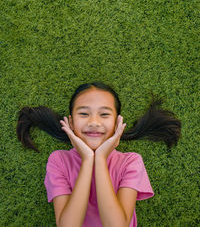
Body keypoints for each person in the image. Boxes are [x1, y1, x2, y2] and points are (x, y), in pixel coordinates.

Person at [16, 82, 181, 227]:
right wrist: (88, 160)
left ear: (117, 123)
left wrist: (100, 159)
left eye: (104, 114)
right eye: (83, 114)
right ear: (71, 123)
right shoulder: (59, 160)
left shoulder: (131, 162)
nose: (94, 122)